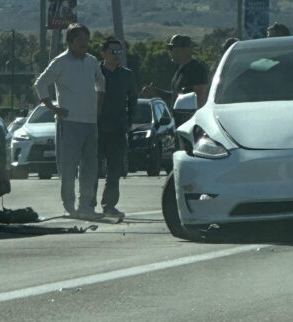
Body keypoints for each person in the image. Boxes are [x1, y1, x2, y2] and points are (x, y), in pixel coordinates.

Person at [33, 24, 104, 219]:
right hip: (69, 122)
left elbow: (101, 83)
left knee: (90, 168)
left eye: (86, 39)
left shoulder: (92, 61)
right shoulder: (61, 62)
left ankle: (86, 207)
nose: (84, 43)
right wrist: (53, 108)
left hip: (90, 123)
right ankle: (70, 207)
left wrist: (97, 106)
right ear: (70, 42)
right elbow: (40, 84)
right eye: (80, 40)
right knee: (68, 167)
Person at [96, 37, 136, 221]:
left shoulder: (126, 75)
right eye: (113, 51)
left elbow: (133, 100)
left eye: (120, 51)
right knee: (92, 169)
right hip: (96, 128)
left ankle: (109, 206)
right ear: (103, 53)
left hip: (118, 129)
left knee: (114, 170)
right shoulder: (95, 72)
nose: (117, 55)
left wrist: (129, 121)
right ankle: (87, 205)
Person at [143, 34, 210, 108]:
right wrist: (156, 92)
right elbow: (175, 97)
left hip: (190, 114)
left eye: (172, 48)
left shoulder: (197, 69)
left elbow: (200, 98)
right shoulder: (180, 71)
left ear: (186, 50)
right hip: (179, 114)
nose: (169, 51)